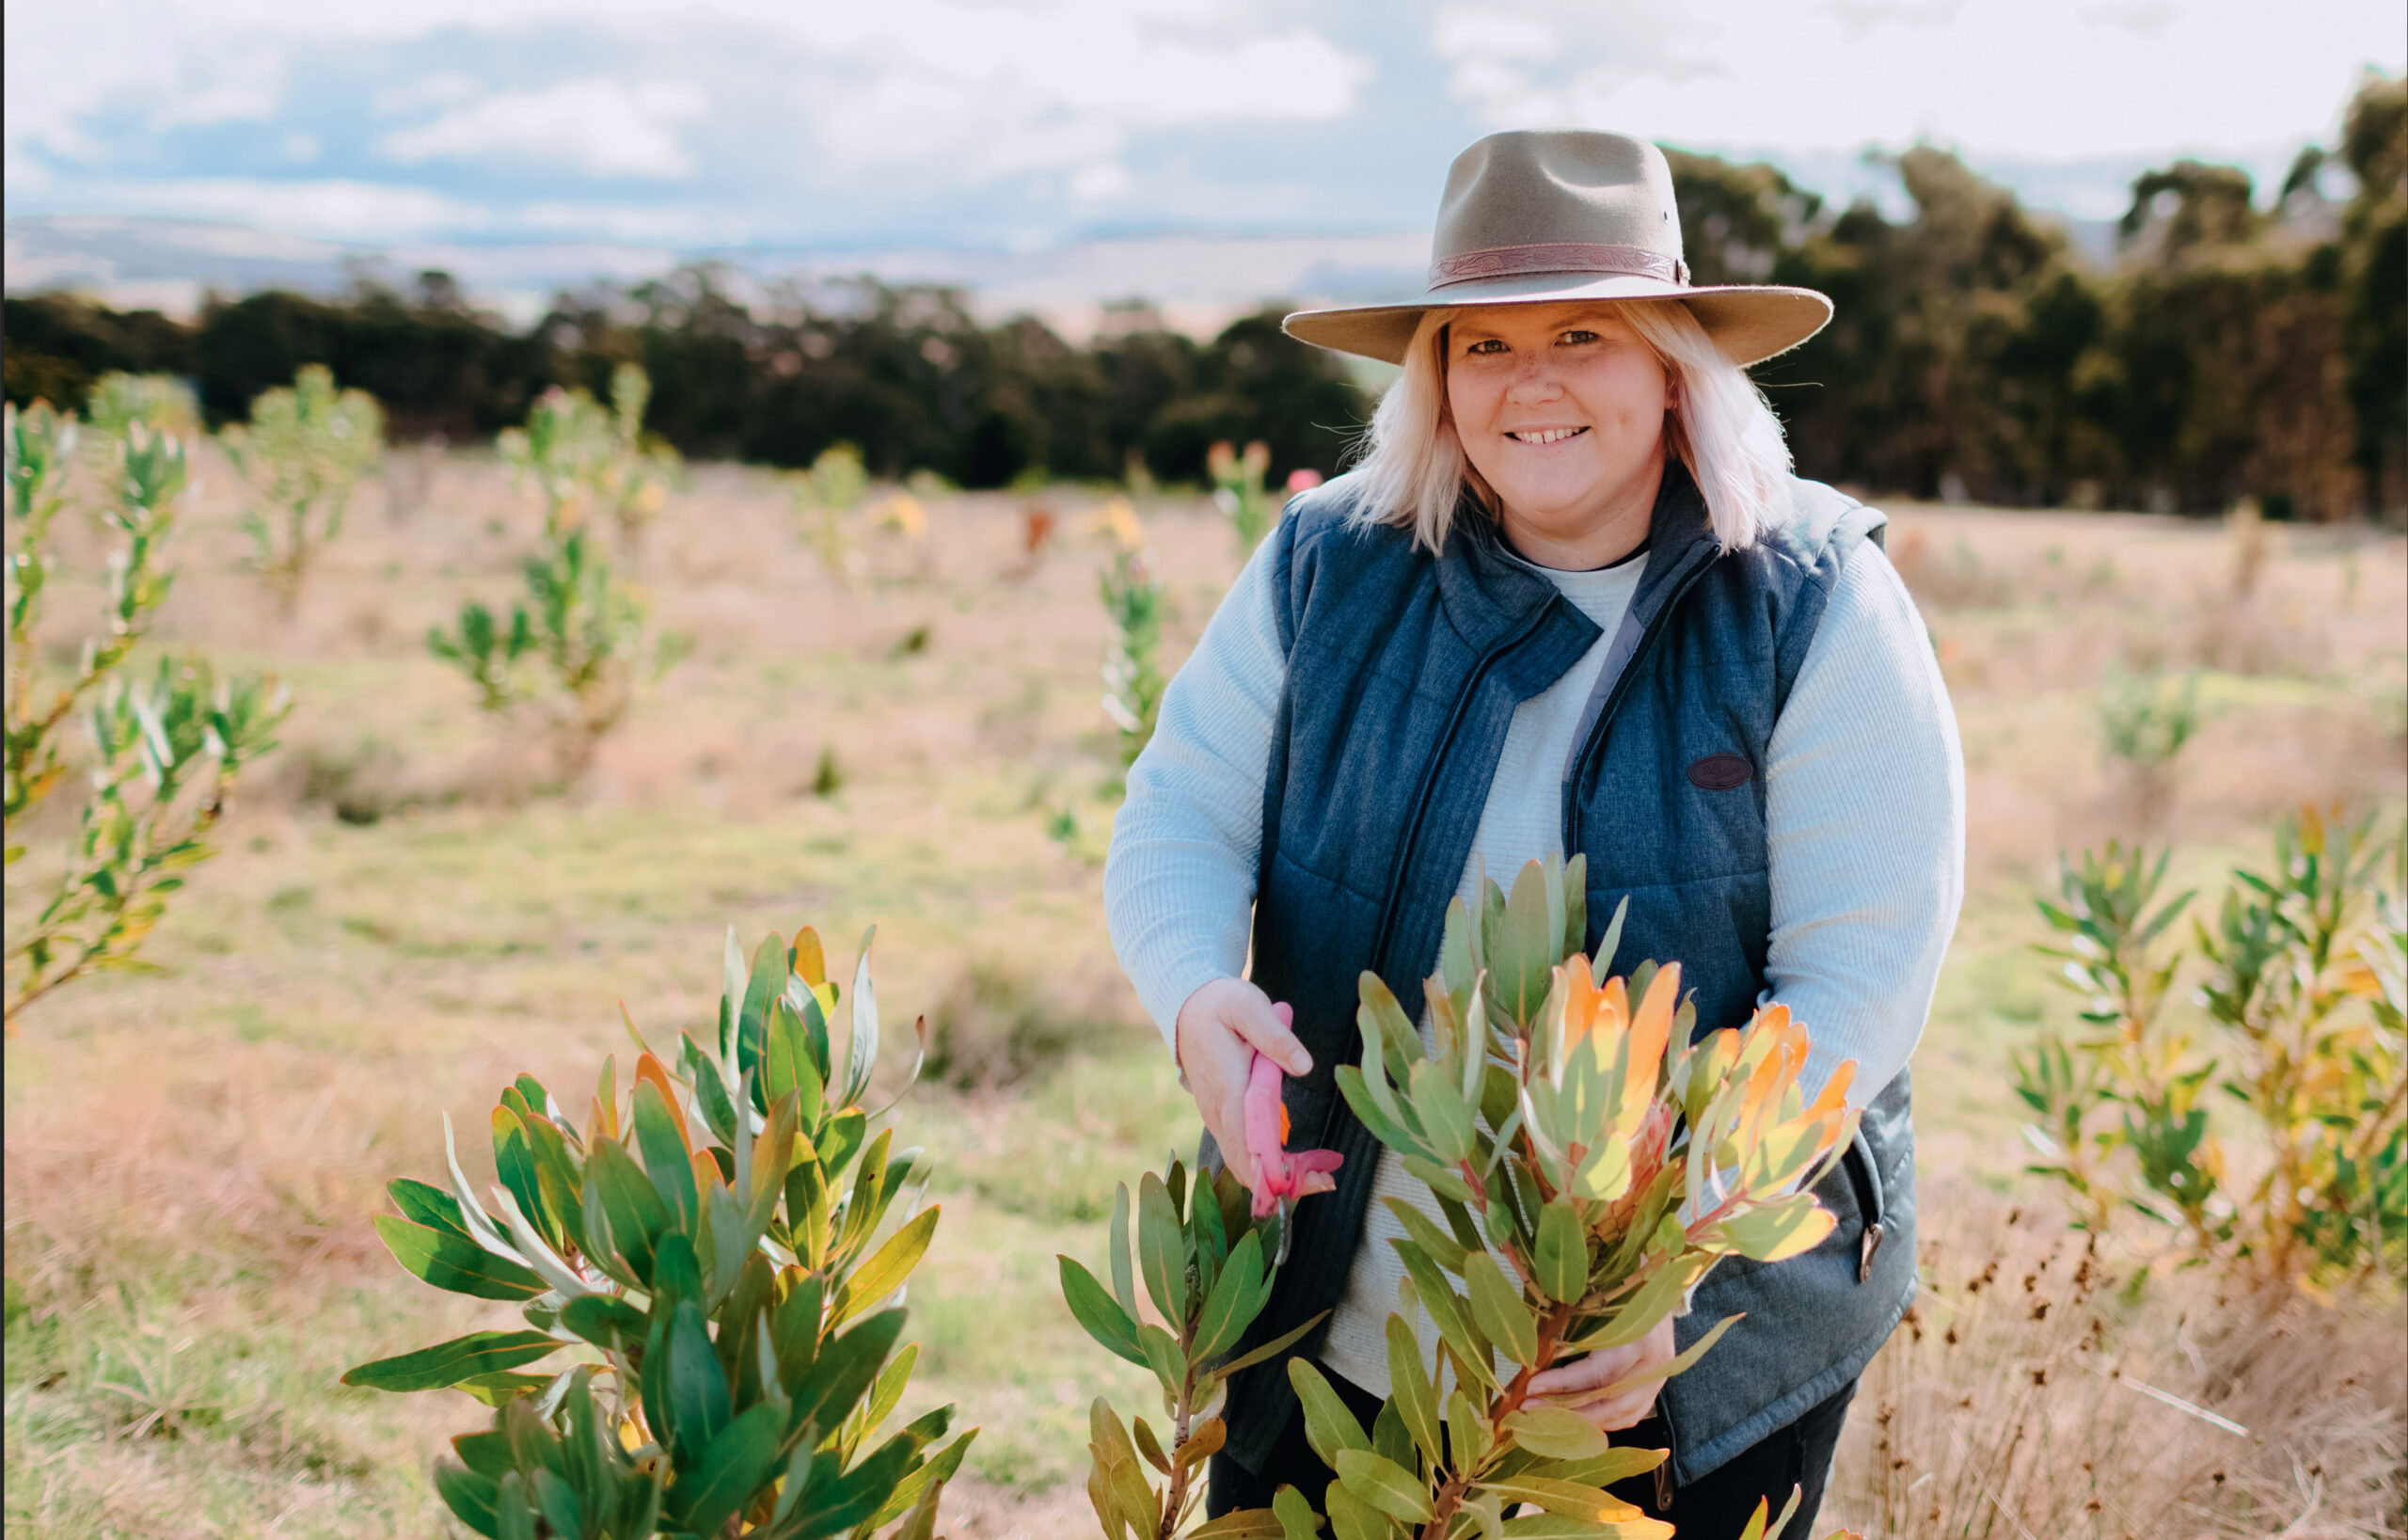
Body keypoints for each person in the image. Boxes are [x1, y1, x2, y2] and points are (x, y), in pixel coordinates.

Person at [1103, 129, 1963, 1538]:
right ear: (1435, 376)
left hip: (1681, 1347)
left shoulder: (1815, 603)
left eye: (1583, 332)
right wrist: (1197, 996)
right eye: (1483, 343)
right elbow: (1178, 811)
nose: (1532, 382)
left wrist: (1660, 1266)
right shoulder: (1329, 566)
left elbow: (1858, 978)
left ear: (1675, 360)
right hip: (1333, 1318)